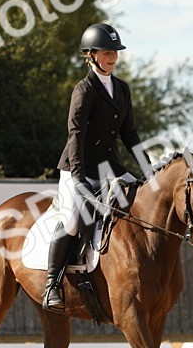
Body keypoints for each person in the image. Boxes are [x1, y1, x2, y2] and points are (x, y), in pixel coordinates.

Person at [43, 23, 143, 311]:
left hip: (109, 167)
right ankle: (52, 284)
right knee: (73, 220)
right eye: (107, 52)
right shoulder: (84, 89)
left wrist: (147, 171)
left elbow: (130, 134)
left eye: (115, 52)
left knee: (138, 204)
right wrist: (77, 178)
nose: (113, 57)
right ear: (91, 55)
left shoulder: (122, 88)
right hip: (77, 167)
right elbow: (76, 135)